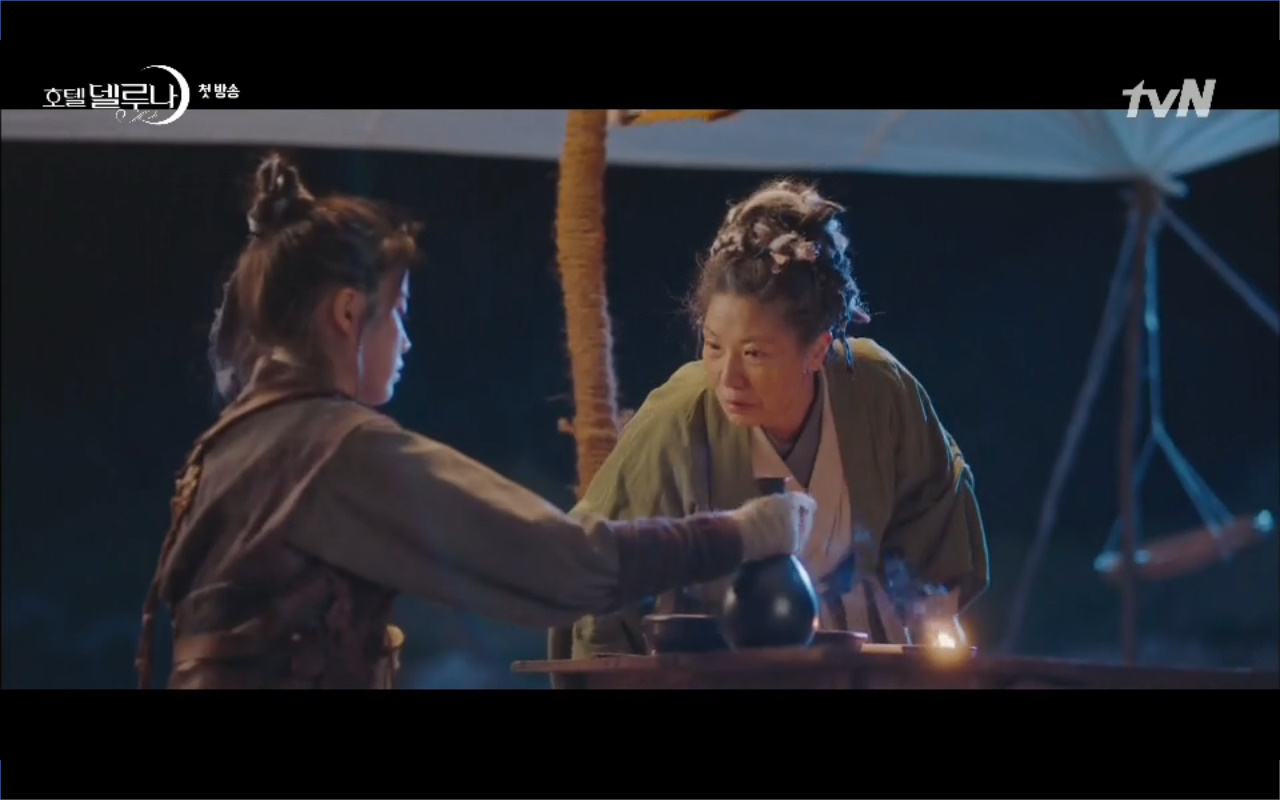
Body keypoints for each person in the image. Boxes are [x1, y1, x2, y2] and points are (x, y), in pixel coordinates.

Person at [134, 153, 817, 690]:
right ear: (347, 314)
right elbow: (564, 566)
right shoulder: (332, 451)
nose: (405, 341)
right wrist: (739, 532)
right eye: (398, 313)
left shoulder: (226, 446)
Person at [558, 179, 989, 662]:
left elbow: (934, 509)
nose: (728, 378)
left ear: (818, 350)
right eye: (713, 346)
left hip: (861, 657)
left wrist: (931, 619)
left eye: (755, 353)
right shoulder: (678, 416)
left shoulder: (878, 390)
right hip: (711, 661)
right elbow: (602, 566)